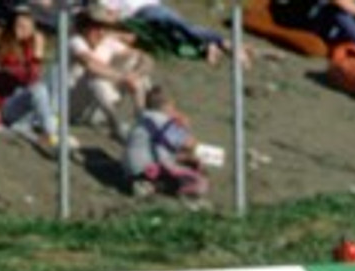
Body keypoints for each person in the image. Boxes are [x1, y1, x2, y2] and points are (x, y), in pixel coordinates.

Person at [0, 6, 67, 152]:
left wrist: (36, 53)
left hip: (26, 102)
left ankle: (51, 123)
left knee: (57, 71)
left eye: (25, 27)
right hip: (6, 107)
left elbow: (34, 78)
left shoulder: (29, 46)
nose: (20, 30)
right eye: (18, 25)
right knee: (38, 88)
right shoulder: (4, 48)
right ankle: (51, 134)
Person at [68, 8, 154, 142]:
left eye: (104, 27)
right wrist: (123, 77)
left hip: (99, 108)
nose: (100, 32)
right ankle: (117, 127)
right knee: (95, 78)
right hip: (75, 108)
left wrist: (136, 74)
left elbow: (145, 58)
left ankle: (142, 121)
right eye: (96, 27)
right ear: (85, 28)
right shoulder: (76, 42)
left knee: (136, 67)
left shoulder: (107, 42)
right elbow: (90, 65)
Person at [122, 84, 208, 199]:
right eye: (174, 108)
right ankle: (151, 186)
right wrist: (185, 126)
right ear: (167, 106)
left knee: (184, 160)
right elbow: (190, 145)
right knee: (198, 178)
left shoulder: (143, 118)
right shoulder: (164, 123)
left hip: (130, 170)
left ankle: (146, 185)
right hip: (147, 170)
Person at [96, 0, 246, 65]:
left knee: (182, 28)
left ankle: (219, 42)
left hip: (151, 10)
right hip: (139, 18)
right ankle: (209, 46)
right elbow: (108, 13)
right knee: (173, 39)